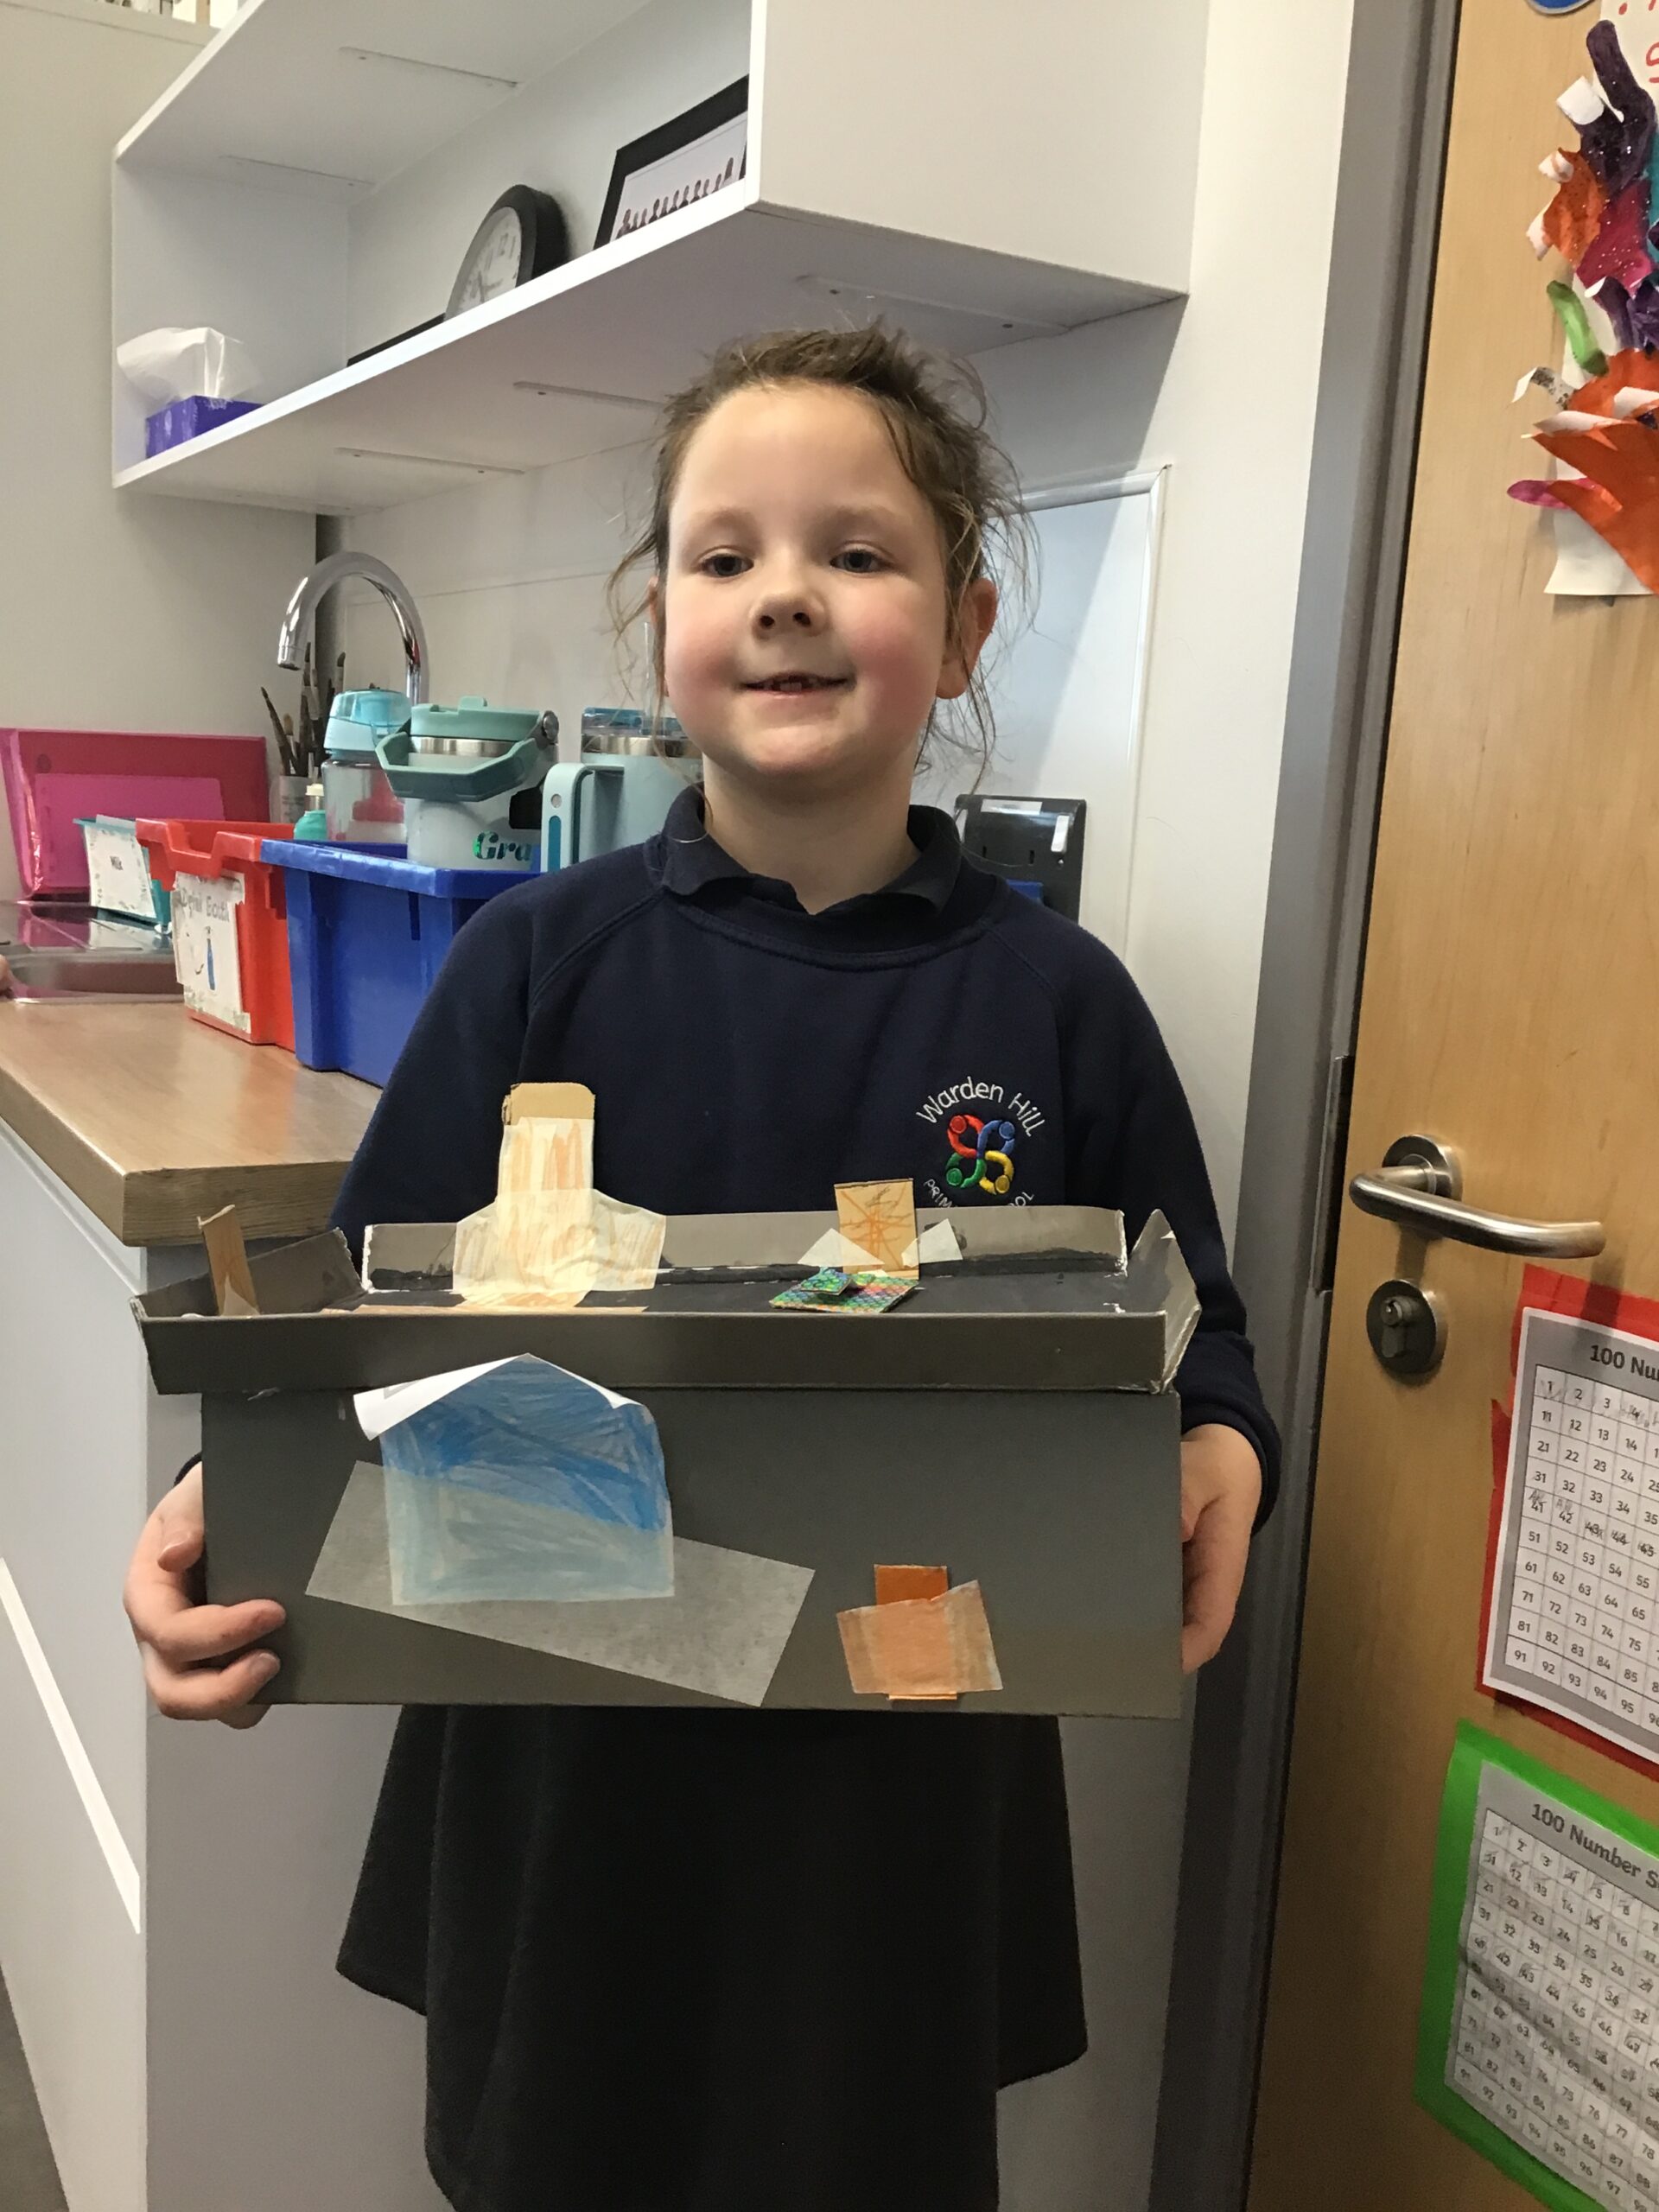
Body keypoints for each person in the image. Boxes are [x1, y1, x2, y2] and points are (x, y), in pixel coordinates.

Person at [124, 325, 1278, 2212]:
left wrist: (1224, 1437)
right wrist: (219, 1496)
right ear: (659, 618)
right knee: (553, 2156)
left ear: (966, 630)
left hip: (899, 1793)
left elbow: (1187, 1318)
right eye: (726, 555)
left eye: (858, 551)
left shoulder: (1059, 1001)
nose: (786, 595)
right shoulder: (530, 966)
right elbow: (350, 1317)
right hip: (567, 1771)